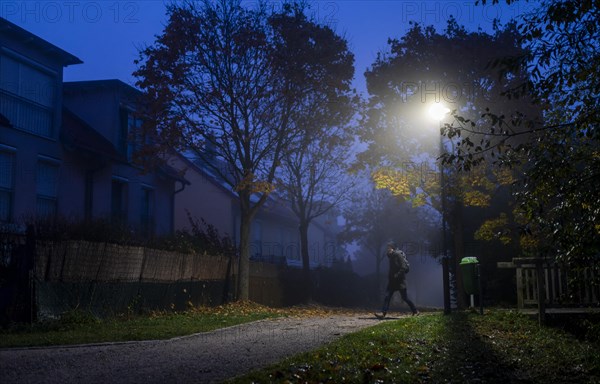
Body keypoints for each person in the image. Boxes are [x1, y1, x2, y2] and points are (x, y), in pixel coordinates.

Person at [375, 241, 418, 319]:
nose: (387, 249)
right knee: (387, 297)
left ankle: (415, 311)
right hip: (392, 282)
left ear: (393, 248)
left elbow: (403, 267)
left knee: (405, 298)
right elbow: (390, 259)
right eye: (387, 247)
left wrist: (397, 275)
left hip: (400, 281)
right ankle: (383, 313)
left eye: (389, 247)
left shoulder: (398, 255)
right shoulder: (391, 256)